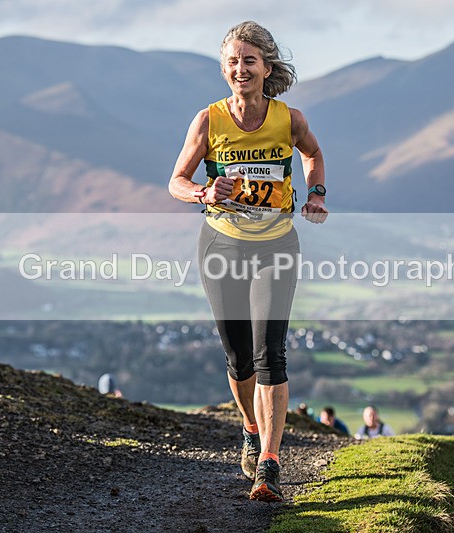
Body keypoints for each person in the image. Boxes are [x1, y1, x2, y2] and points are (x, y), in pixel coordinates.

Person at [168, 21, 328, 502]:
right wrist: (200, 191)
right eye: (233, 62)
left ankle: (270, 465)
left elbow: (313, 153)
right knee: (240, 360)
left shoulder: (289, 118)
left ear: (267, 67)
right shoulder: (208, 121)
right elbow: (175, 179)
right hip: (222, 245)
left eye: (250, 61)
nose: (241, 69)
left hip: (276, 244)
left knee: (270, 354)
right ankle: (250, 428)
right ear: (224, 70)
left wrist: (316, 193)